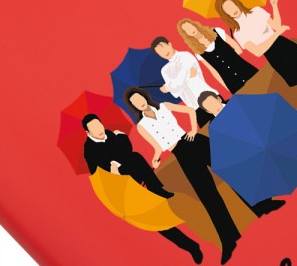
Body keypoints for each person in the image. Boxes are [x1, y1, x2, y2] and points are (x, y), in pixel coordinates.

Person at [124, 87, 241, 265]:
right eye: (134, 102)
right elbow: (157, 146)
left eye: (139, 97)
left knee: (229, 169)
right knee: (207, 195)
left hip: (193, 141)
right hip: (181, 154)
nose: (139, 102)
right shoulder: (141, 126)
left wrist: (193, 129)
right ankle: (229, 238)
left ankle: (261, 204)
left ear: (144, 97)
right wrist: (155, 158)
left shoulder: (164, 106)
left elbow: (189, 110)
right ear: (133, 106)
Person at [82, 113, 203, 264]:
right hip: (120, 189)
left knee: (136, 157)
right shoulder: (89, 150)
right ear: (88, 132)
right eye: (93, 127)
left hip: (131, 174)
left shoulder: (110, 134)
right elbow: (100, 173)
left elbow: (127, 151)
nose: (98, 129)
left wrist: (119, 143)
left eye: (98, 124)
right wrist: (112, 164)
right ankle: (191, 246)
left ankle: (156, 189)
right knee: (155, 220)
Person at [197, 90, 286, 218]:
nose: (213, 107)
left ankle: (267, 200)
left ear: (218, 99)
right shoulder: (213, 125)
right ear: (207, 111)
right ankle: (262, 206)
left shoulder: (236, 103)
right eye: (209, 107)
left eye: (212, 102)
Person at [215, 0, 296, 87]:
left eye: (232, 5)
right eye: (227, 9)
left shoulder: (256, 11)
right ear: (225, 14)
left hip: (285, 45)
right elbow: (257, 52)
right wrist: (276, 34)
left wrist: (274, 5)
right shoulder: (238, 32)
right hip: (274, 55)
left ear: (236, 3)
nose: (232, 10)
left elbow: (277, 26)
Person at [177, 18, 258, 94]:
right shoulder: (198, 52)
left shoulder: (217, 32)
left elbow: (237, 48)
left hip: (245, 70)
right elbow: (214, 71)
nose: (190, 30)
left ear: (194, 25)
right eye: (186, 30)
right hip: (232, 82)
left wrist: (234, 59)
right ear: (186, 34)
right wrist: (227, 87)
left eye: (189, 26)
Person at [151, 36, 218, 127]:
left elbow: (179, 81)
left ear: (169, 44)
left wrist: (168, 87)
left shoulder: (185, 56)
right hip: (195, 108)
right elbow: (175, 93)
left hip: (210, 98)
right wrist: (186, 78)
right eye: (159, 52)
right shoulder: (165, 70)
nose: (164, 52)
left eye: (163, 47)